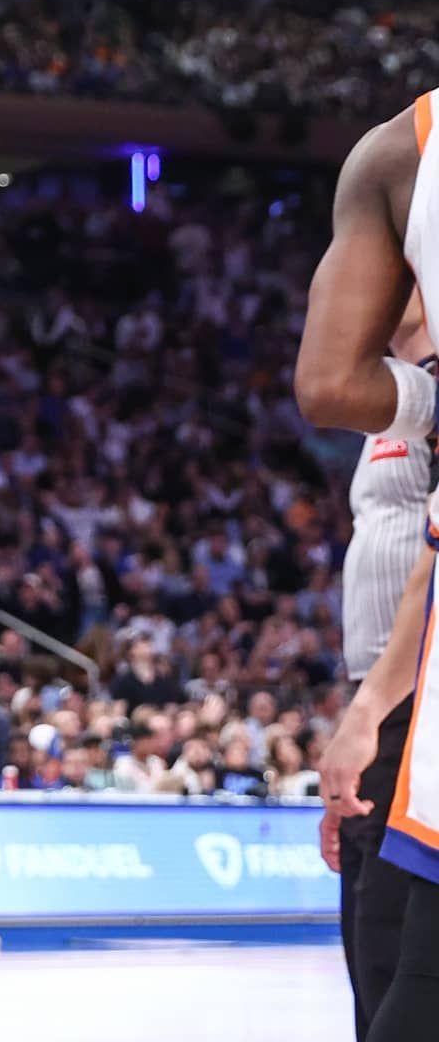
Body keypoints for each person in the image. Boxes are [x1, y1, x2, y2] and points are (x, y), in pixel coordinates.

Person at [298, 90, 439, 1042]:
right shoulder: (398, 410)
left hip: (415, 704)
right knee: (377, 969)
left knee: (399, 980)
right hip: (389, 699)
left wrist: (377, 708)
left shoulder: (416, 403)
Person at [317, 301, 436, 1039]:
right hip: (377, 688)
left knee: (396, 961)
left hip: (418, 696)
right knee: (370, 951)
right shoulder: (388, 389)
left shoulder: (427, 388)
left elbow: (431, 560)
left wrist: (374, 713)